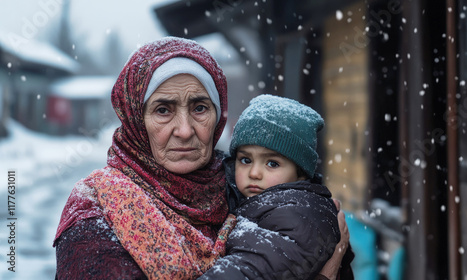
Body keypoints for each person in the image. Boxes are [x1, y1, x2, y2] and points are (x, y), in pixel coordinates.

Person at [53, 36, 349, 280]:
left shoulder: (244, 186)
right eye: (163, 110)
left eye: (199, 108)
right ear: (135, 120)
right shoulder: (96, 210)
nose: (184, 130)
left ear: (218, 116)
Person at [199, 95, 354, 280]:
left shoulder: (300, 214)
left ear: (301, 173)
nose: (254, 173)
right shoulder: (257, 203)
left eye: (272, 163)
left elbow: (251, 269)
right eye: (246, 160)